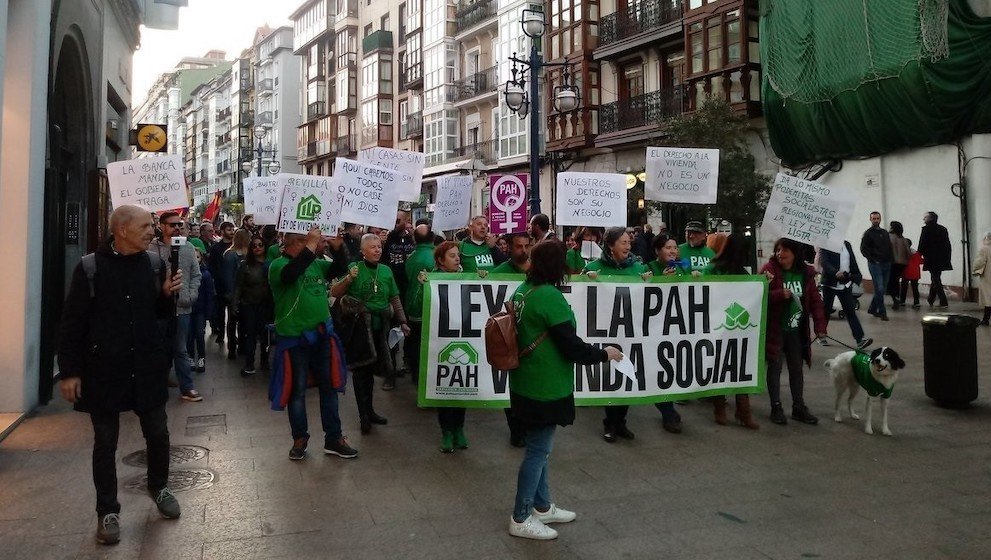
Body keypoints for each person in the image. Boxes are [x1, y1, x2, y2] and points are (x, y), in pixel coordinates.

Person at [57, 205, 184, 544]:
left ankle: (159, 487)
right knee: (105, 443)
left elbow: (157, 313)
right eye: (145, 226)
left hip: (145, 367)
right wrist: (69, 372)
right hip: (104, 371)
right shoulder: (90, 268)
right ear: (121, 229)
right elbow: (72, 324)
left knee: (158, 434)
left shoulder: (154, 264)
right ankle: (107, 511)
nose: (151, 232)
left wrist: (166, 296)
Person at [508, 240, 622, 540]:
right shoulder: (549, 296)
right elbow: (571, 346)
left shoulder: (522, 290)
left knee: (539, 448)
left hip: (525, 382)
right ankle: (520, 517)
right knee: (538, 452)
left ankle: (542, 506)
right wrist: (604, 354)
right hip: (545, 385)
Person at [269, 228, 357, 461]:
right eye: (302, 242)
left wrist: (339, 247)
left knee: (329, 388)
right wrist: (311, 245)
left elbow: (339, 270)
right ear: (289, 244)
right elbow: (290, 275)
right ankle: (300, 438)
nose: (310, 245)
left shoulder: (316, 263)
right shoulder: (277, 265)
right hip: (295, 339)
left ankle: (334, 438)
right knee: (297, 391)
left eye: (308, 242)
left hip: (321, 336)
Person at [583, 227, 661, 440]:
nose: (628, 246)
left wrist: (649, 282)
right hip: (605, 332)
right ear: (610, 245)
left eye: (629, 242)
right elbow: (580, 296)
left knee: (627, 374)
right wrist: (586, 281)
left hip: (631, 331)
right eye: (623, 242)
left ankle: (621, 422)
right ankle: (610, 424)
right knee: (610, 377)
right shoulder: (593, 268)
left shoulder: (638, 268)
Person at [331, 233, 411, 429]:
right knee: (361, 372)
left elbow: (394, 298)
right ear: (363, 251)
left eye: (379, 247)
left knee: (374, 372)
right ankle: (363, 416)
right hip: (359, 329)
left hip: (379, 329)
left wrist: (402, 321)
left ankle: (371, 410)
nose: (378, 250)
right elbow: (335, 292)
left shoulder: (385, 270)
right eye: (373, 247)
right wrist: (349, 279)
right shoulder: (354, 268)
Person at [761, 238, 827, 426]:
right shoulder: (769, 269)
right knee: (775, 368)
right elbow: (758, 293)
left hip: (796, 330)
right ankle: (776, 406)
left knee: (796, 369)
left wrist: (820, 327)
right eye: (778, 250)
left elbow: (815, 301)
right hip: (775, 328)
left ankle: (798, 406)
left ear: (795, 253)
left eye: (785, 251)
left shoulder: (805, 273)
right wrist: (778, 294)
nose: (780, 254)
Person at [699, 233, 760, 429]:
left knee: (739, 366)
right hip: (718, 326)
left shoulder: (743, 273)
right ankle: (721, 407)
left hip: (737, 329)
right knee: (720, 365)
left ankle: (743, 410)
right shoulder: (713, 269)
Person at [148, 211, 203, 402]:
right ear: (162, 227)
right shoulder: (151, 249)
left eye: (180, 225)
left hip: (182, 308)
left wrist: (191, 294)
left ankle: (187, 387)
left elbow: (196, 275)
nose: (177, 228)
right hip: (159, 309)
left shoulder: (188, 247)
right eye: (172, 225)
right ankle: (157, 384)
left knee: (181, 349)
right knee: (159, 348)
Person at [487, 232, 533, 446]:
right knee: (510, 387)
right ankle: (516, 429)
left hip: (532, 338)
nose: (523, 250)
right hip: (508, 339)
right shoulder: (498, 273)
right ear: (509, 248)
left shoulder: (537, 271)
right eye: (518, 246)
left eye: (526, 246)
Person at [427, 241, 473, 452]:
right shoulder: (430, 279)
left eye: (458, 256)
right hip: (440, 340)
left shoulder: (466, 277)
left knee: (461, 386)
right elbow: (416, 304)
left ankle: (459, 429)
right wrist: (422, 287)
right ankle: (446, 431)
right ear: (440, 261)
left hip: (462, 337)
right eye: (452, 256)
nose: (457, 259)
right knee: (444, 388)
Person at [819, 241, 873, 350]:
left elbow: (852, 261)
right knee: (826, 310)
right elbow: (825, 262)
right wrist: (835, 272)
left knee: (850, 311)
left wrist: (856, 275)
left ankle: (860, 339)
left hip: (845, 283)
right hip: (830, 283)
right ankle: (821, 335)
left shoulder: (847, 244)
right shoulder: (826, 244)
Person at [233, 235, 271, 376]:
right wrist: (234, 304)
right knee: (251, 335)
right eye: (254, 245)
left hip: (265, 305)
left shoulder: (270, 264)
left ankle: (265, 361)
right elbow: (238, 285)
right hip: (248, 304)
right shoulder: (245, 265)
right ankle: (249, 364)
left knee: (265, 335)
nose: (257, 248)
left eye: (260, 245)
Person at [403, 224, 437, 384]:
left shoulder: (411, 258)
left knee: (415, 346)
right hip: (431, 308)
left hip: (412, 308)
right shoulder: (436, 257)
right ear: (432, 237)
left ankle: (417, 380)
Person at [222, 229, 251, 360]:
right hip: (234, 293)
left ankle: (241, 346)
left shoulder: (247, 255)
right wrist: (231, 295)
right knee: (233, 322)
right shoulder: (230, 255)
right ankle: (232, 347)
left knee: (243, 321)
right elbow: (228, 277)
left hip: (245, 294)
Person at [860, 211, 893, 320]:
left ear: (880, 219)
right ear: (870, 219)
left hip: (886, 263)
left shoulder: (884, 232)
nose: (876, 220)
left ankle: (872, 308)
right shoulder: (868, 233)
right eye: (874, 218)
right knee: (879, 287)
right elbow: (863, 249)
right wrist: (873, 259)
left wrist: (890, 259)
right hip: (875, 264)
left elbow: (889, 247)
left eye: (877, 218)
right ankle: (882, 311)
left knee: (882, 289)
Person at [187, 246, 214, 374]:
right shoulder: (186, 274)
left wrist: (209, 312)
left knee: (199, 334)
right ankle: (191, 357)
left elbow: (209, 294)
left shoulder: (205, 274)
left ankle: (201, 357)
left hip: (200, 309)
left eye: (197, 257)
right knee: (189, 335)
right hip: (188, 308)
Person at [918, 211, 952, 308]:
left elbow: (922, 243)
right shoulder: (943, 229)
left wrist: (919, 253)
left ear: (931, 218)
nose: (923, 219)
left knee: (936, 278)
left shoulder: (926, 229)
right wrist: (947, 257)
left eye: (925, 217)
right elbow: (947, 244)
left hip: (931, 258)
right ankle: (931, 299)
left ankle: (943, 301)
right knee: (935, 277)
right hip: (942, 258)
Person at [208, 221, 235, 343]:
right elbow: (211, 266)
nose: (232, 232)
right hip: (220, 285)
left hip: (233, 284)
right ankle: (220, 333)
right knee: (220, 311)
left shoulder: (235, 248)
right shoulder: (216, 248)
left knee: (233, 313)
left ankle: (232, 336)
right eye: (229, 229)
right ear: (223, 231)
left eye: (232, 229)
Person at [888, 221, 910, 309]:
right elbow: (908, 252)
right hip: (902, 263)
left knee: (890, 281)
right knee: (896, 280)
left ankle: (894, 297)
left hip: (891, 262)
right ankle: (897, 296)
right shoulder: (903, 239)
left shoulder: (889, 237)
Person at [971, 231, 991, 325]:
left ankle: (986, 319)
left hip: (988, 277)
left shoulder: (985, 249)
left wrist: (975, 270)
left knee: (988, 298)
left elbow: (979, 262)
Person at [901, 239, 922, 309]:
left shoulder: (902, 253)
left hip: (906, 272)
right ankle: (916, 302)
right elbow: (921, 261)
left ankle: (902, 301)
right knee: (915, 288)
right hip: (915, 273)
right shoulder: (916, 253)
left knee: (904, 288)